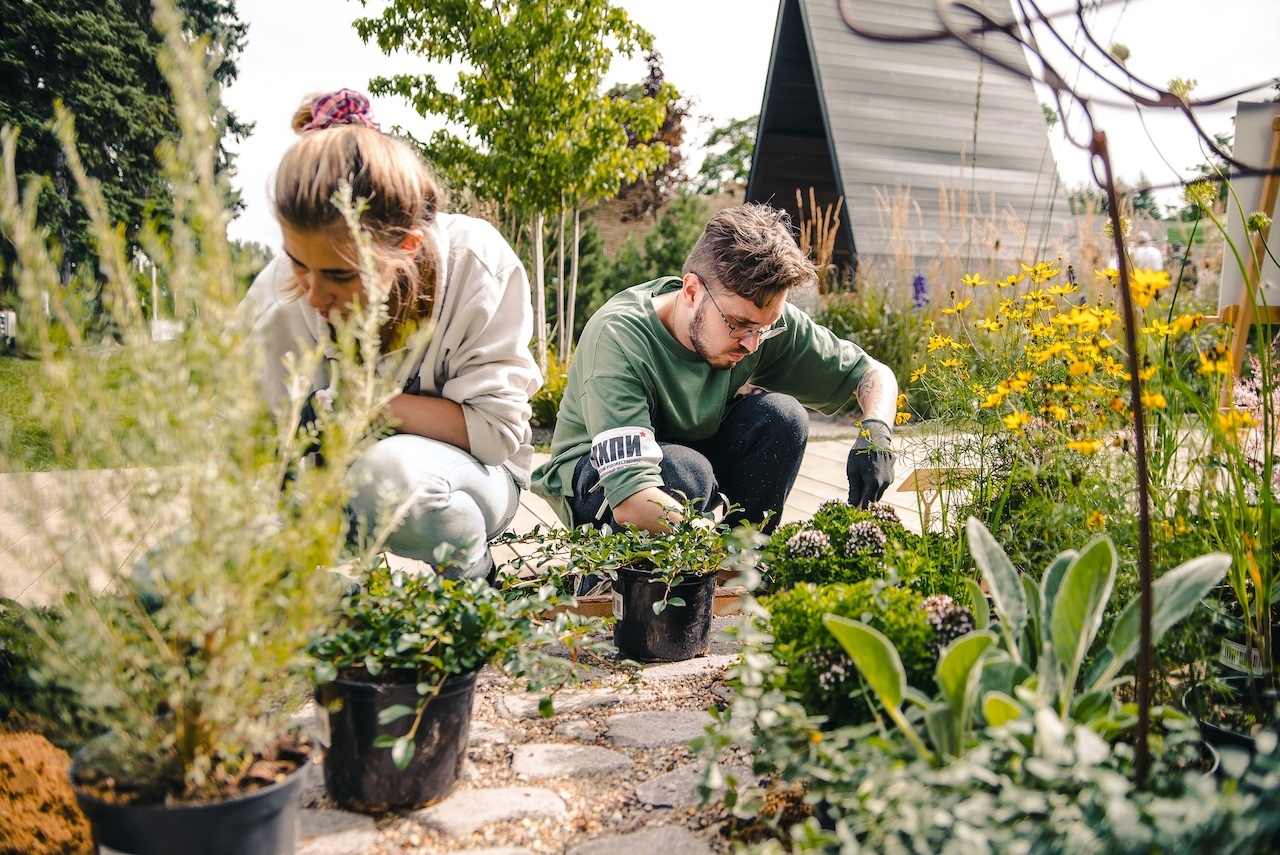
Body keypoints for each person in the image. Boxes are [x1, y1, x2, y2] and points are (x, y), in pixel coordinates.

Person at [241, 89, 541, 580]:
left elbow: (495, 434)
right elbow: (242, 451)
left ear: (406, 246)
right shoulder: (277, 296)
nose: (313, 296)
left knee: (392, 477)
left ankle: (471, 583)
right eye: (298, 264)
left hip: (466, 484)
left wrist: (345, 408)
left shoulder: (477, 265)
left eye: (340, 276)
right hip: (330, 497)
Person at [530, 203, 898, 541]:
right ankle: (622, 579)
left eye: (764, 328)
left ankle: (744, 565)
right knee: (684, 471)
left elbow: (872, 373)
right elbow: (631, 500)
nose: (753, 343)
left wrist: (877, 432)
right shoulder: (619, 338)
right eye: (738, 325)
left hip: (687, 463)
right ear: (691, 291)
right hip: (599, 479)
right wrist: (715, 546)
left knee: (782, 419)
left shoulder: (760, 323)